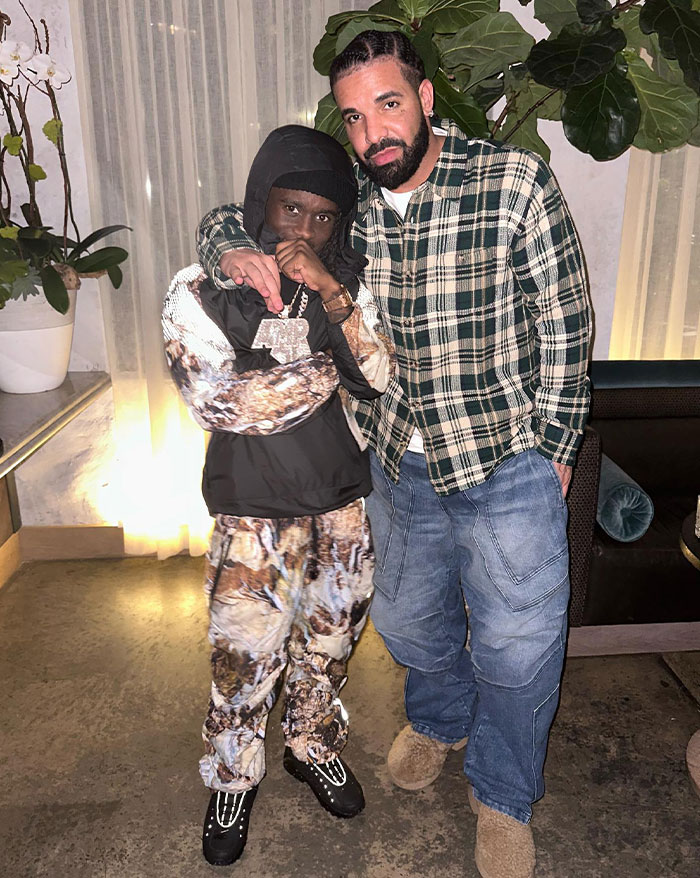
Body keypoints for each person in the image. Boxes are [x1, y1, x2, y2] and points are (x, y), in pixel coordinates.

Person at [197, 31, 591, 878]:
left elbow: (565, 319)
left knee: (519, 646)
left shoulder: (511, 182)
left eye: (389, 103)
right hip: (393, 462)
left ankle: (503, 794)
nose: (374, 129)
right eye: (354, 115)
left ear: (425, 99)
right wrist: (221, 241)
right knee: (410, 626)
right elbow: (250, 207)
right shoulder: (351, 210)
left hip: (502, 456)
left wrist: (556, 445)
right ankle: (442, 720)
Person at [163, 124, 394, 868]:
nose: (306, 229)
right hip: (252, 512)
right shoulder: (202, 287)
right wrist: (323, 374)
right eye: (292, 209)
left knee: (329, 646)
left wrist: (330, 295)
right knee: (243, 656)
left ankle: (310, 744)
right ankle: (233, 776)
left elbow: (381, 375)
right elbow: (220, 403)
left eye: (324, 216)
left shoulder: (345, 284)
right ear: (263, 203)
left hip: (339, 506)